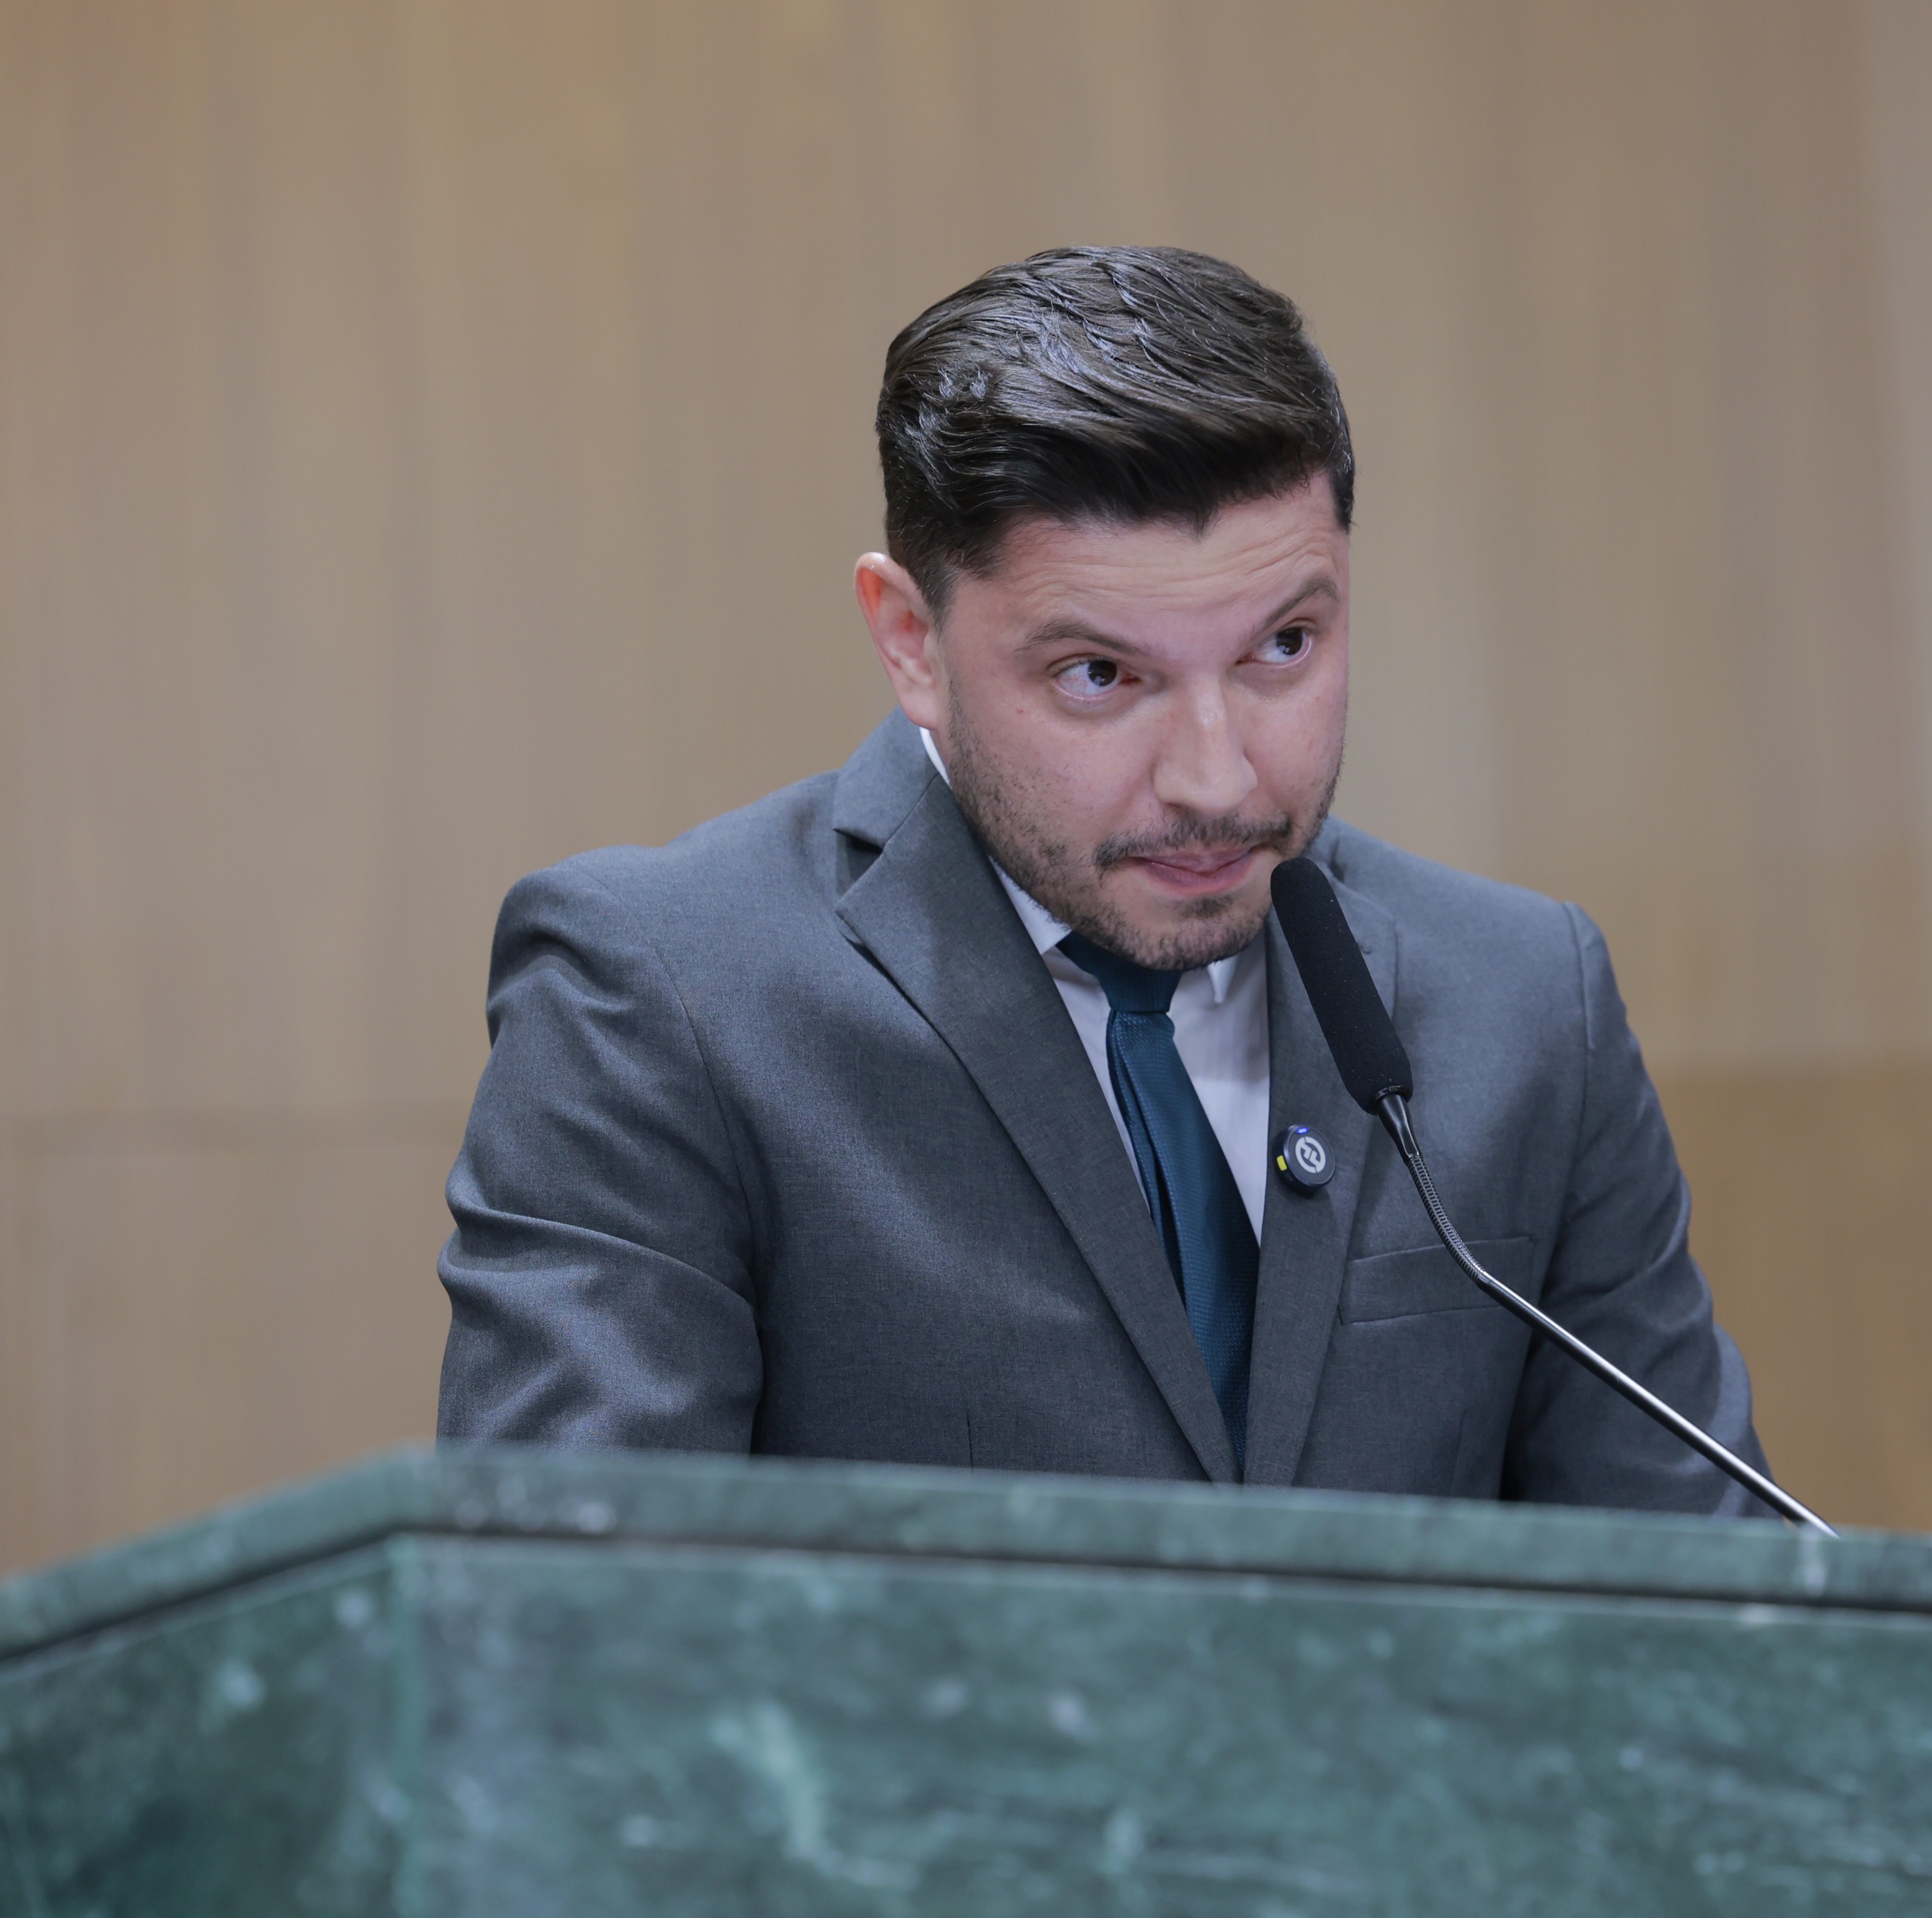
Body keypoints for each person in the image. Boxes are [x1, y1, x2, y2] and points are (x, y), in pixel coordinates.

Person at [436, 246, 1771, 1515]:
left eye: (1283, 646)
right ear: (911, 642)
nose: (1216, 779)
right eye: (1100, 675)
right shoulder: (665, 1000)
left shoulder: (1525, 1001)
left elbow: (1721, 1604)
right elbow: (565, 1623)